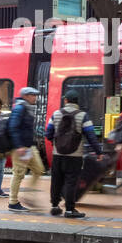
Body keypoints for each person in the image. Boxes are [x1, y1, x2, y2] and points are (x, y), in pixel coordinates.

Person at [44, 89, 103, 219]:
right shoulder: (83, 116)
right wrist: (99, 152)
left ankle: (55, 206)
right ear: (77, 102)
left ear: (65, 100)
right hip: (75, 156)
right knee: (71, 182)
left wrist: (56, 143)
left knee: (56, 180)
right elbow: (91, 136)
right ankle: (70, 210)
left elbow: (48, 134)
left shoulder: (56, 114)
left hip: (57, 154)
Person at [7, 86, 45, 212]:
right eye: (33, 95)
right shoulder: (19, 108)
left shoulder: (28, 108)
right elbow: (13, 127)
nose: (35, 98)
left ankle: (29, 197)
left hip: (29, 147)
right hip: (21, 147)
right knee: (18, 174)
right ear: (26, 96)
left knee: (39, 170)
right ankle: (13, 202)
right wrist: (18, 146)